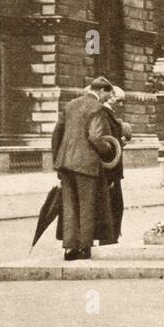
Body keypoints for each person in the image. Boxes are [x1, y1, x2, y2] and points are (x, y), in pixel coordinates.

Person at [51, 75, 116, 261]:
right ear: (101, 90)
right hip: (86, 164)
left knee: (70, 206)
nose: (107, 99)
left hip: (65, 163)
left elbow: (57, 134)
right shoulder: (97, 108)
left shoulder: (70, 105)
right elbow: (95, 137)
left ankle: (70, 249)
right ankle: (85, 247)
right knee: (87, 206)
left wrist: (58, 161)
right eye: (107, 95)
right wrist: (108, 149)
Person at [96, 86, 131, 244]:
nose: (122, 105)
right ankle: (108, 240)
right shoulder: (104, 114)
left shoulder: (109, 115)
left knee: (115, 206)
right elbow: (104, 142)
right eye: (119, 101)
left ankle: (110, 238)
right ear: (110, 98)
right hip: (109, 170)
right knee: (112, 206)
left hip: (112, 169)